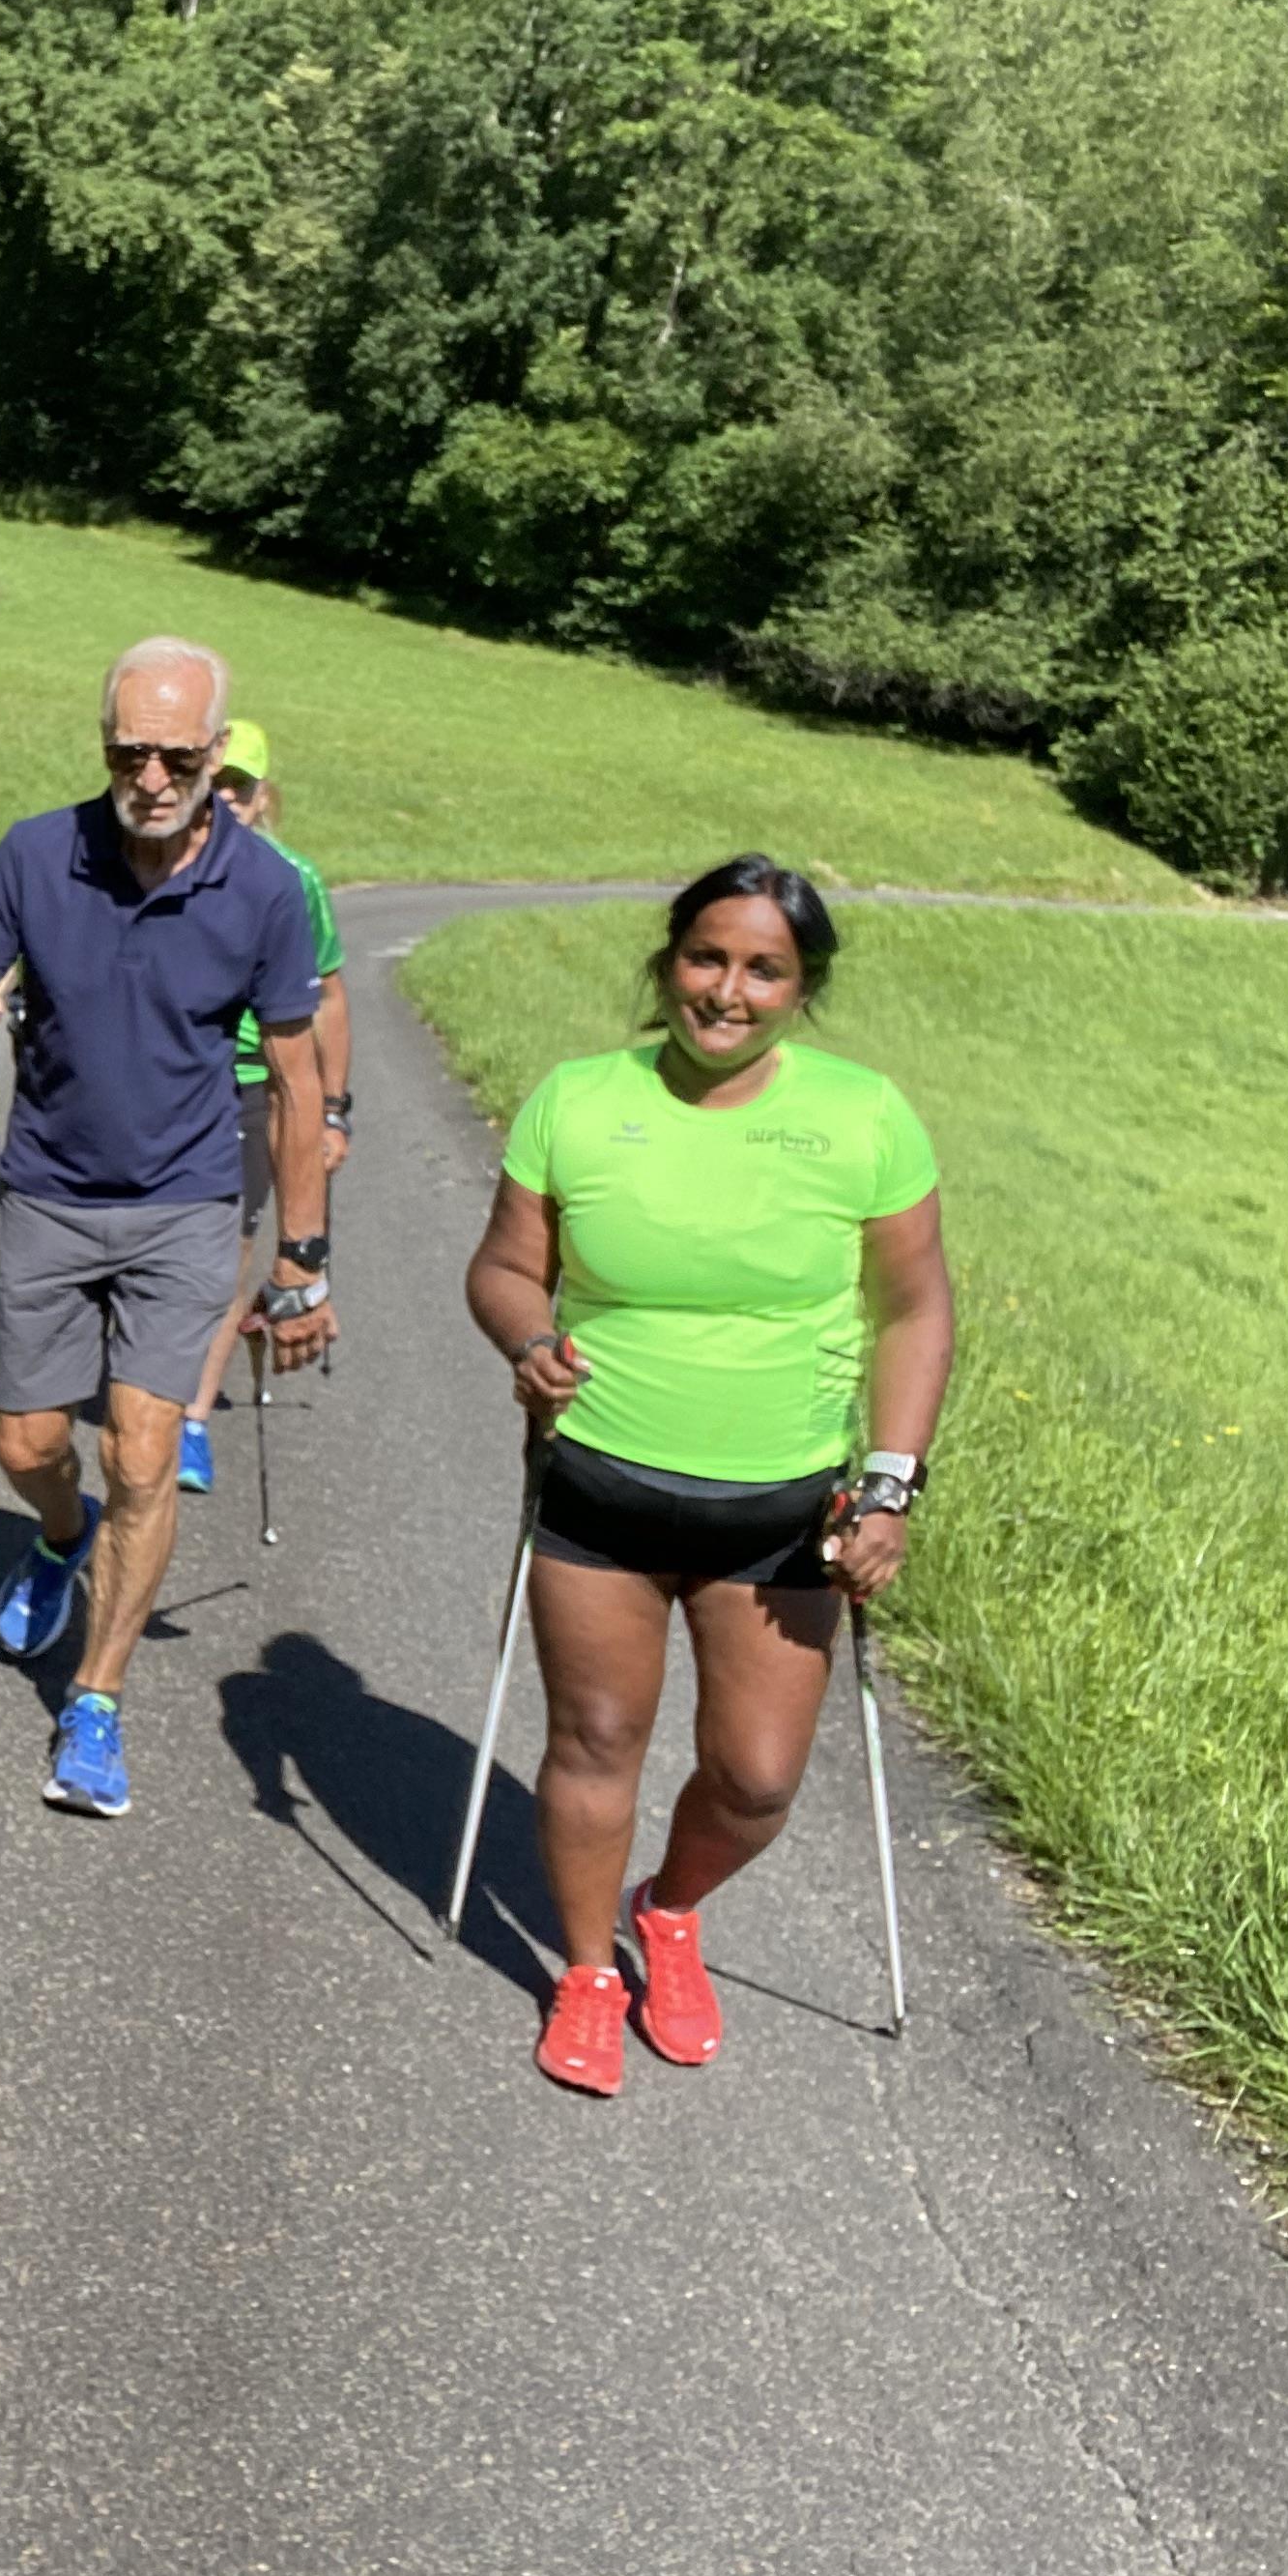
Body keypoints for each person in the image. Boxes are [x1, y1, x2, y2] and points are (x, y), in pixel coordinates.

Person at [460, 855, 955, 2099]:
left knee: (756, 1776)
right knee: (597, 1739)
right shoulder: (578, 1100)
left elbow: (914, 1310)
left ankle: (668, 1910)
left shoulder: (865, 1116)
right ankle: (585, 1971)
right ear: (667, 960)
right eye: (706, 958)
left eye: (763, 969)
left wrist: (890, 1485)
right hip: (600, 1491)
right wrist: (530, 1342)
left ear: (801, 988)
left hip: (783, 1512)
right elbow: (505, 1270)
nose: (726, 991)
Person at [0, 638, 338, 1817]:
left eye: (176, 755)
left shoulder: (265, 890)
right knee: (26, 1446)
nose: (149, 775)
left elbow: (294, 1081)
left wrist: (302, 1251)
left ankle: (95, 1700)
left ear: (216, 751)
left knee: (142, 1449)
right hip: (45, 1191)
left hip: (186, 1204)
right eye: (126, 751)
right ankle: (55, 1538)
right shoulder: (38, 854)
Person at [180, 721, 350, 1495]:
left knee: (228, 1250)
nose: (225, 800)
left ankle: (191, 1416)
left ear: (261, 795)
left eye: (240, 787)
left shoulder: (292, 879)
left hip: (256, 1083)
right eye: (215, 783)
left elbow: (331, 1000)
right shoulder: (163, 869)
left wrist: (335, 1110)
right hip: (176, 1078)